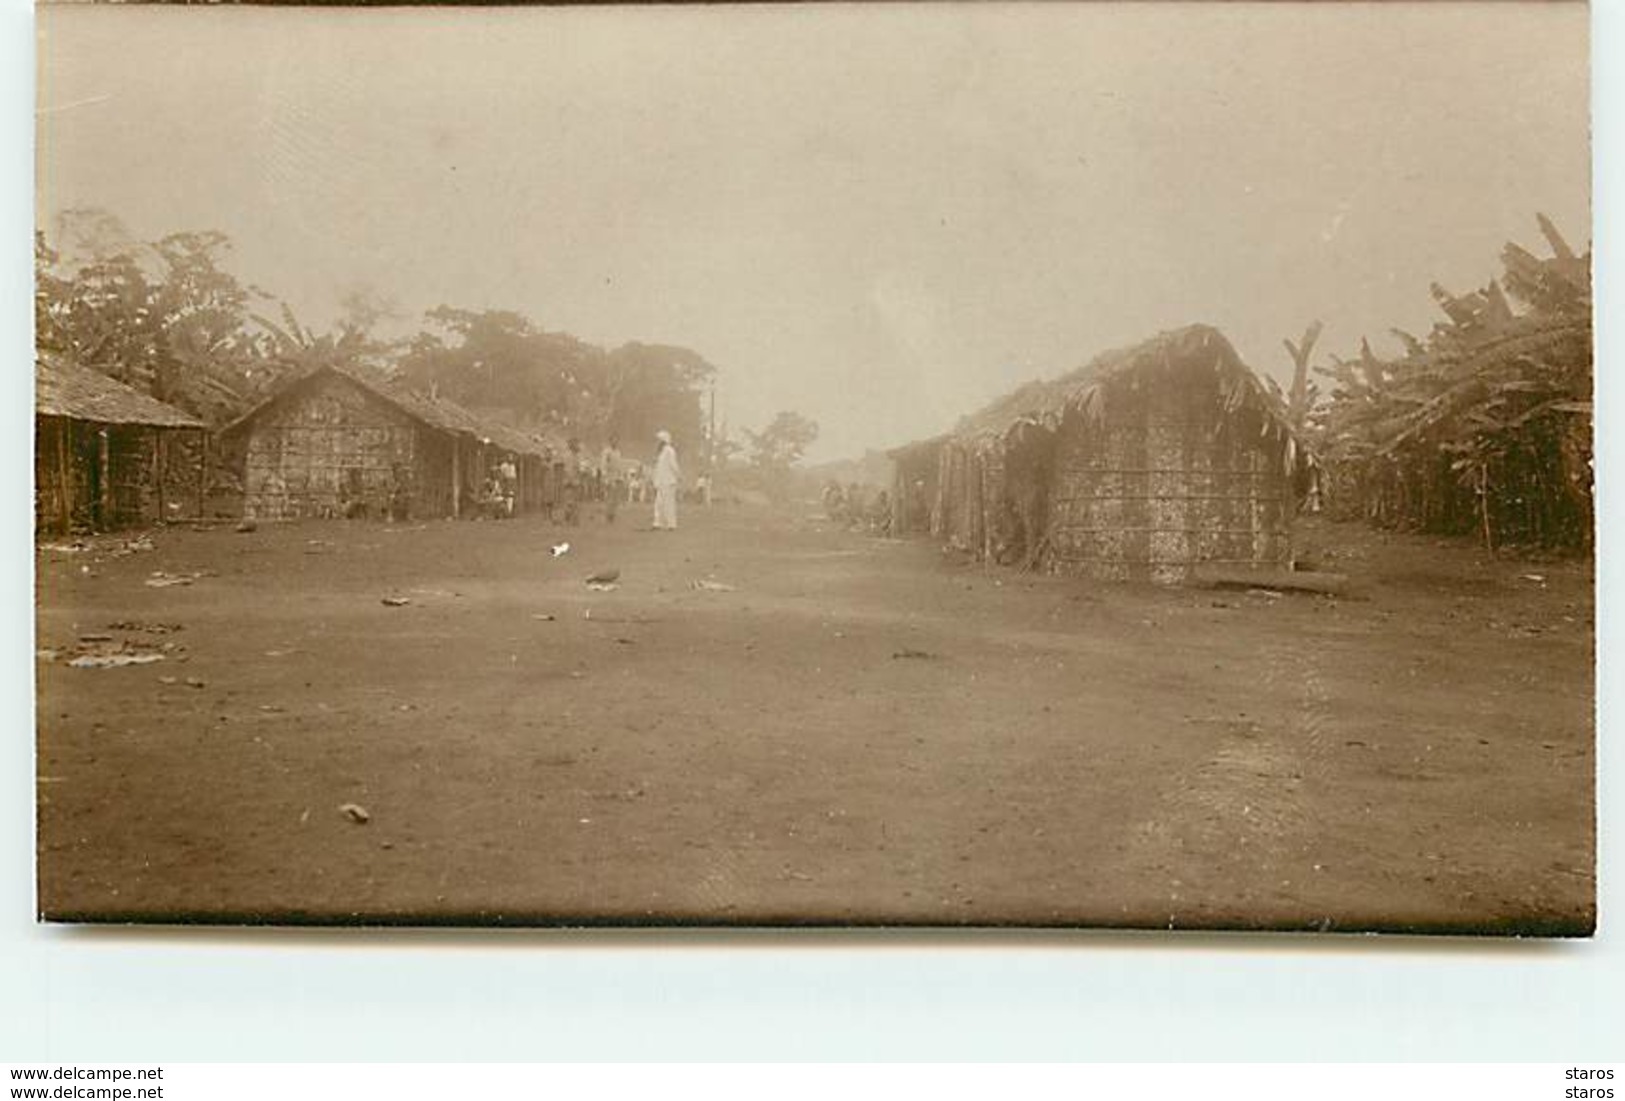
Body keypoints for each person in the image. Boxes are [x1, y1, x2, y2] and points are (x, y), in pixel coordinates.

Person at [652, 429, 681, 531]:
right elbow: (658, 468)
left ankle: (671, 524)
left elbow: (673, 465)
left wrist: (678, 475)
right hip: (661, 482)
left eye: (659, 439)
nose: (657, 442)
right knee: (658, 503)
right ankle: (657, 523)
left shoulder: (669, 450)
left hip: (669, 481)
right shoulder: (660, 452)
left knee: (669, 503)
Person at [600, 436, 625, 524]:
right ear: (610, 441)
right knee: (609, 498)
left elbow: (620, 465)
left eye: (616, 441)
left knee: (616, 499)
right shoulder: (607, 451)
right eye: (613, 441)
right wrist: (605, 477)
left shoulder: (618, 452)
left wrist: (621, 476)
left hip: (617, 477)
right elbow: (603, 464)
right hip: (610, 477)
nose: (615, 442)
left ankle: (612, 515)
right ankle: (608, 516)